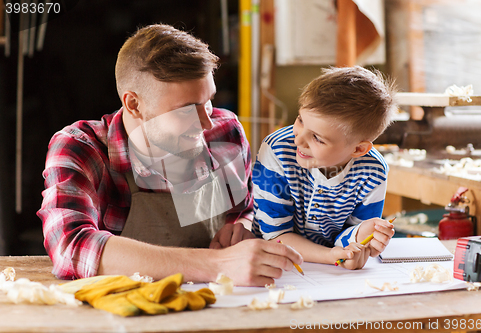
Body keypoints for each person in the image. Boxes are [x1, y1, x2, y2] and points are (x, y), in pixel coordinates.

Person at [37, 24, 302, 286]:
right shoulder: (81, 147)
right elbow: (71, 248)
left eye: (208, 101)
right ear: (134, 104)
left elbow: (245, 209)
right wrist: (217, 265)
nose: (207, 124)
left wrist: (241, 228)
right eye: (187, 109)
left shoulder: (225, 131)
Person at [252, 66, 396, 270]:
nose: (299, 140)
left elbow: (351, 237)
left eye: (317, 138)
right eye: (301, 120)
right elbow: (275, 236)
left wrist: (361, 238)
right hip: (275, 263)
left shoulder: (373, 171)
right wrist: (330, 255)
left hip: (327, 272)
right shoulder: (276, 150)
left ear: (358, 149)